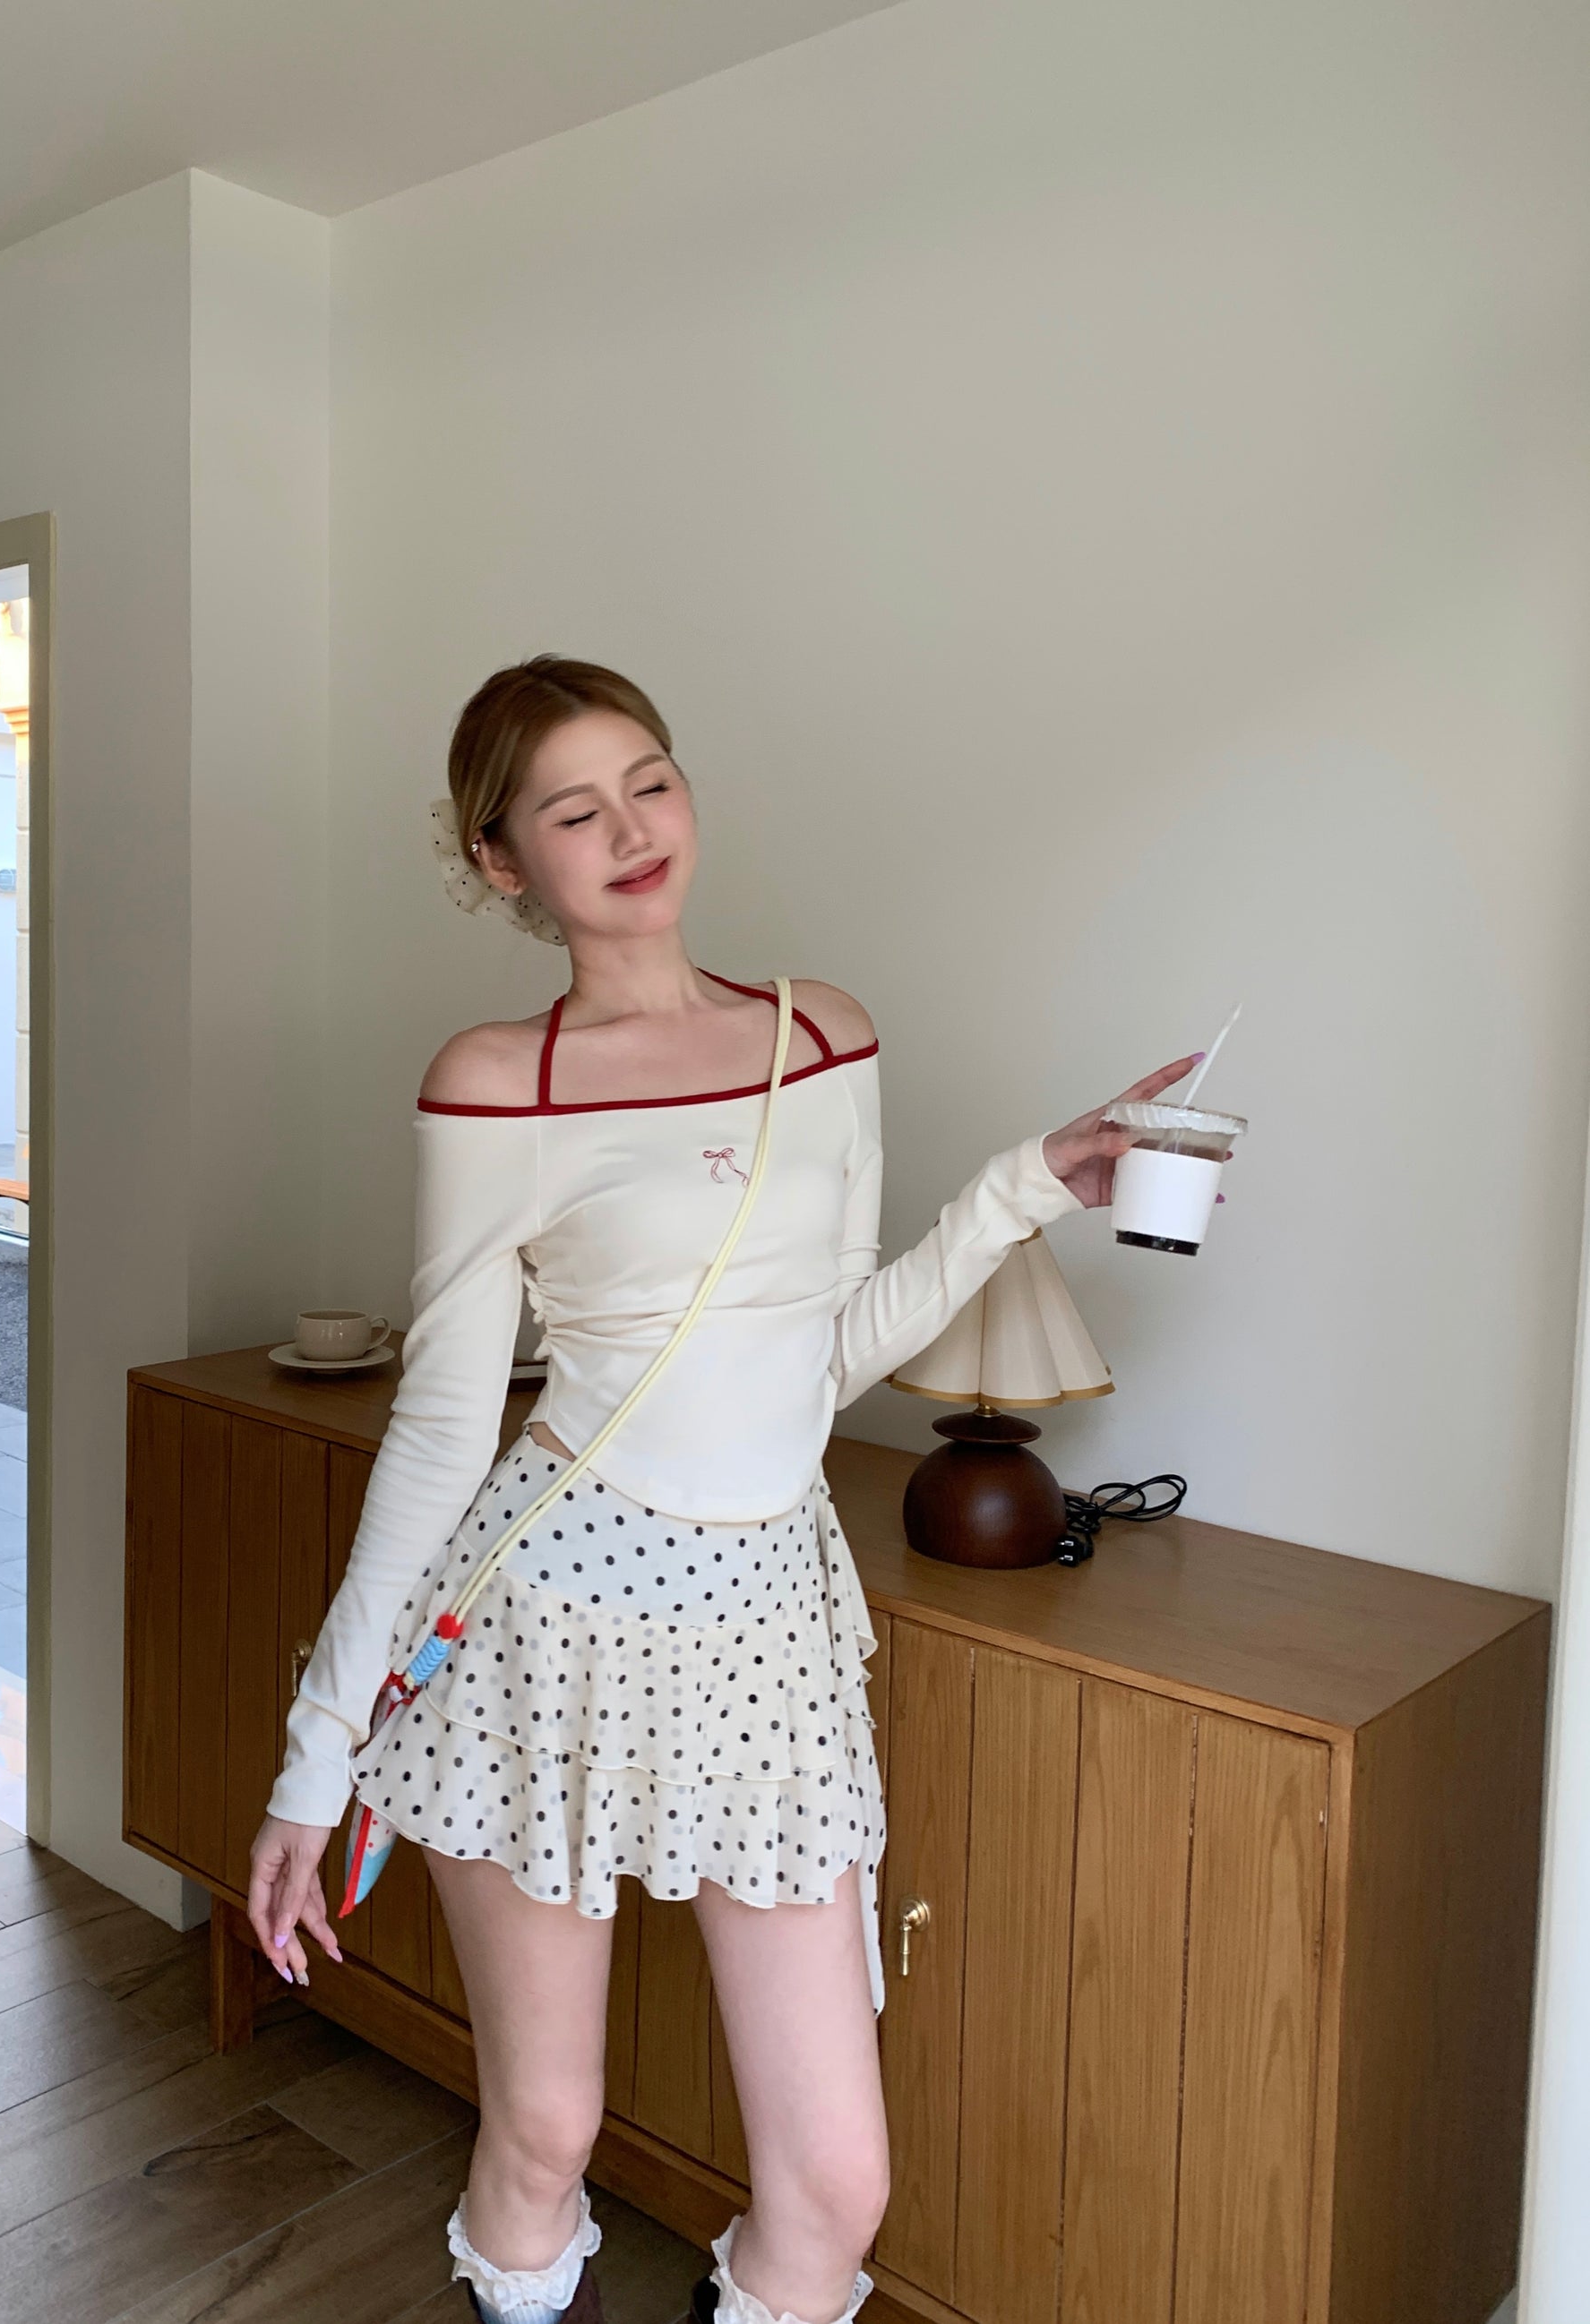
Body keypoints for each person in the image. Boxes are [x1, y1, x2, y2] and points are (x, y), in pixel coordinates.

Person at [246, 655, 1199, 2324]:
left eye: (650, 782)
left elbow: (822, 1359)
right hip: (548, 1621)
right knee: (546, 2128)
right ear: (499, 862)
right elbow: (442, 1426)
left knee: (832, 2189)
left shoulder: (819, 1036)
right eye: (573, 811)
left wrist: (1027, 1185)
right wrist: (314, 1761)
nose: (631, 831)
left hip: (768, 1623)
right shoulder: (501, 1079)